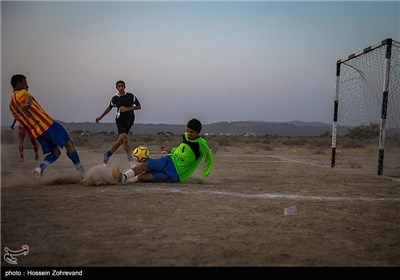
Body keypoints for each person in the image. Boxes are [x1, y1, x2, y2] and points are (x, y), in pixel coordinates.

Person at [8, 74, 84, 176]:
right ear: (18, 84)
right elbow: (24, 105)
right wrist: (28, 104)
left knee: (55, 153)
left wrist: (33, 133)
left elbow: (23, 122)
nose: (27, 86)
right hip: (46, 124)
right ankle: (81, 171)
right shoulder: (22, 93)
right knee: (69, 144)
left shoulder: (10, 104)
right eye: (25, 84)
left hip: (36, 132)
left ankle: (40, 168)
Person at [112, 118, 213, 184]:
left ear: (198, 133)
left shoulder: (201, 144)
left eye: (192, 132)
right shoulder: (185, 136)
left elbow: (209, 158)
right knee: (145, 165)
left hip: (175, 174)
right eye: (188, 130)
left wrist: (205, 174)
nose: (189, 133)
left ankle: (132, 174)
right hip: (168, 160)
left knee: (142, 178)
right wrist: (169, 152)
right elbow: (182, 148)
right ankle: (123, 177)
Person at [96, 80, 141, 168]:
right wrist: (100, 117)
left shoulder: (131, 96)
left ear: (125, 87)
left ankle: (107, 155)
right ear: (116, 88)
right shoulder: (115, 99)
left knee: (120, 141)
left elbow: (139, 107)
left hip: (130, 120)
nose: (120, 88)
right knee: (124, 138)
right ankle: (130, 160)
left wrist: (127, 109)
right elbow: (109, 108)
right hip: (120, 120)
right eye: (119, 86)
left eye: (122, 86)